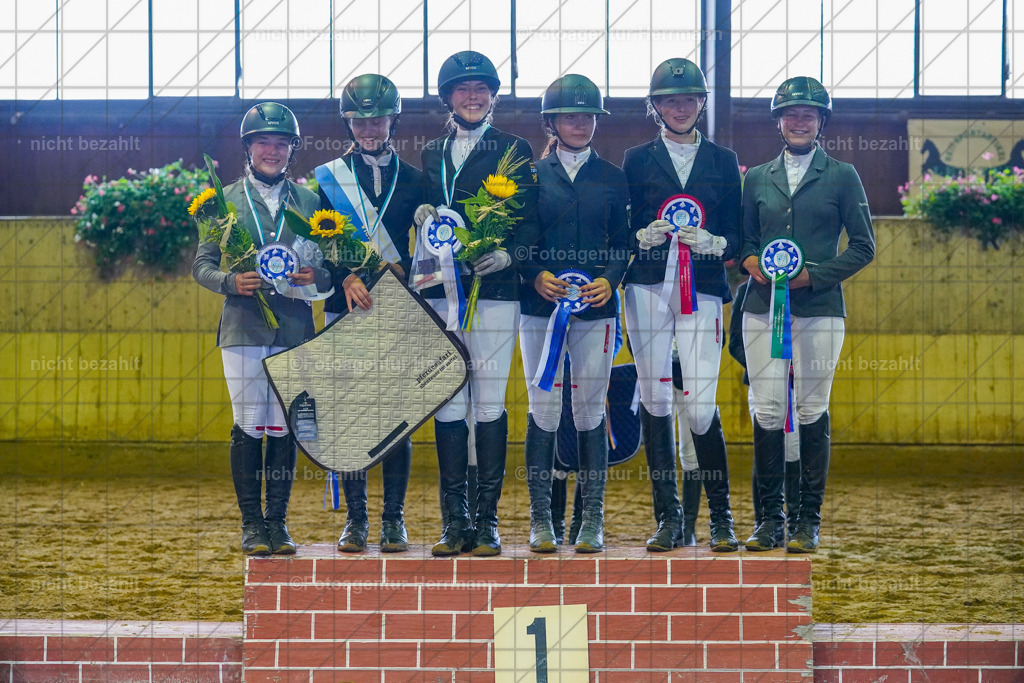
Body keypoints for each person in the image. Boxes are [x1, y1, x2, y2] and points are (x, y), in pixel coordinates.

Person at [740, 77, 874, 552]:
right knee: (768, 409)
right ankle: (768, 520)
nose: (799, 121)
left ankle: (806, 520)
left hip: (819, 309)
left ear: (821, 122)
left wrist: (812, 278)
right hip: (761, 309)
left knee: (812, 407)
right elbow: (745, 241)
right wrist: (751, 263)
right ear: (779, 120)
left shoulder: (843, 175)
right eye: (791, 114)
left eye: (809, 114)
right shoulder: (756, 177)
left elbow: (864, 247)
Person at [415, 50, 537, 556]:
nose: (472, 96)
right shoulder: (431, 154)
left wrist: (509, 255)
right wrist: (422, 216)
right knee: (447, 400)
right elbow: (426, 225)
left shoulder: (516, 149)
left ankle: (487, 522)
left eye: (481, 89)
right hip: (442, 294)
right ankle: (454, 520)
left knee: (487, 400)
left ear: (493, 96)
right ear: (448, 98)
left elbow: (531, 221)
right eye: (463, 89)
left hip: (496, 293)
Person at [193, 102, 329, 556]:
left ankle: (279, 523)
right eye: (263, 142)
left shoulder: (310, 202)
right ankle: (252, 524)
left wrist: (318, 278)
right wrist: (232, 281)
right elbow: (202, 267)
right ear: (248, 148)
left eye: (281, 143)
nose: (272, 150)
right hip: (244, 329)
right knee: (250, 424)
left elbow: (327, 267)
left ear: (292, 150)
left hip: (293, 327)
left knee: (283, 424)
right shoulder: (223, 201)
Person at [622, 58, 742, 553]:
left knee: (700, 404)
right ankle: (669, 517)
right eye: (670, 100)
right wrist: (638, 236)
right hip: (648, 288)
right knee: (654, 398)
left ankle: (721, 517)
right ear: (656, 108)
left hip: (704, 290)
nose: (679, 107)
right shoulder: (635, 160)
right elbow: (621, 226)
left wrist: (715, 242)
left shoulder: (722, 161)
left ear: (701, 104)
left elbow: (738, 233)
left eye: (688, 99)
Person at [516, 74, 630, 553]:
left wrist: (611, 277)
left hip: (596, 308)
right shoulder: (530, 175)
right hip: (542, 307)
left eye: (587, 116)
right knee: (542, 407)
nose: (580, 123)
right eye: (570, 116)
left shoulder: (614, 177)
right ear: (552, 123)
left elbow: (624, 243)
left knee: (588, 410)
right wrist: (534, 275)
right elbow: (518, 239)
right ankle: (540, 519)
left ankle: (591, 518)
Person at [315, 74, 422, 554]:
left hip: (397, 308)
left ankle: (393, 519)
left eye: (377, 118)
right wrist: (345, 277)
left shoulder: (417, 180)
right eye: (359, 120)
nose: (369, 128)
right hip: (346, 305)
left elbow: (433, 253)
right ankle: (356, 520)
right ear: (349, 122)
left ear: (392, 120)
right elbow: (316, 243)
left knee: (397, 416)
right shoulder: (328, 179)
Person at [728, 277, 800, 544]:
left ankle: (795, 520)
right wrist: (766, 369)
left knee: (795, 452)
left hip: (798, 385)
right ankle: (765, 521)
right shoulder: (746, 291)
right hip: (761, 383)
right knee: (766, 449)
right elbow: (736, 343)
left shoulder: (803, 289)